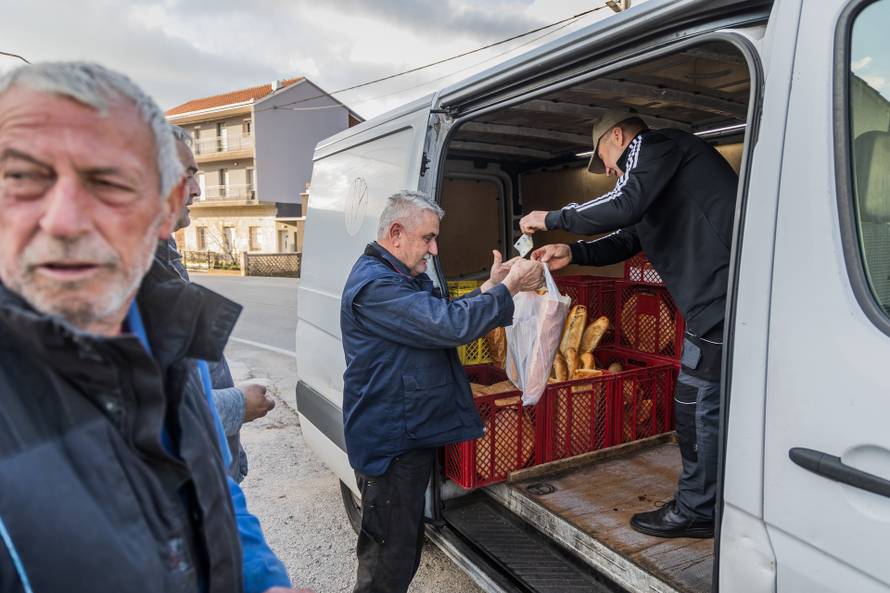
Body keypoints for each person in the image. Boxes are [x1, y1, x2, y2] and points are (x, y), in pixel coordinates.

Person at [0, 62, 296, 592]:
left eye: (108, 182)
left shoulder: (169, 333)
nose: (64, 220)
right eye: (22, 178)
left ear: (165, 207)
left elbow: (210, 488)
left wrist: (262, 579)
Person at [520, 110, 737, 539]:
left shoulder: (655, 146)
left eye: (604, 160)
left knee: (696, 405)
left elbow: (624, 204)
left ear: (618, 137)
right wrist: (573, 252)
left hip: (723, 298)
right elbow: (628, 235)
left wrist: (553, 217)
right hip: (717, 301)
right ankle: (713, 502)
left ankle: (698, 510)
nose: (609, 171)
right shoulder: (660, 178)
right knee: (707, 405)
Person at [340, 190, 543, 593]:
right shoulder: (376, 286)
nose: (434, 250)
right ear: (396, 233)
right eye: (428, 238)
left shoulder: (396, 277)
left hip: (405, 436)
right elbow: (449, 326)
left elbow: (441, 317)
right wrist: (509, 287)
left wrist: (491, 286)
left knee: (402, 552)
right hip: (390, 445)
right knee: (387, 566)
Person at [156, 126, 275, 482]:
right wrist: (238, 405)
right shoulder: (126, 282)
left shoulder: (164, 257)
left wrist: (233, 458)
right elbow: (155, 413)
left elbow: (198, 374)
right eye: (187, 174)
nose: (197, 189)